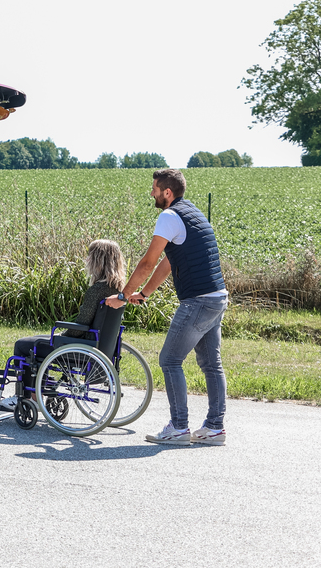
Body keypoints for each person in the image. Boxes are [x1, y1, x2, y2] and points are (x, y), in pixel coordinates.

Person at [106, 169, 228, 446]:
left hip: (198, 300)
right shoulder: (192, 214)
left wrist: (123, 296)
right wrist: (144, 293)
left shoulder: (169, 216)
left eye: (154, 189)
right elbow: (169, 262)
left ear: (167, 192)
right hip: (217, 297)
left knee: (170, 360)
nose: (151, 193)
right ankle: (215, 428)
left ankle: (179, 427)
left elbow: (147, 263)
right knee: (211, 364)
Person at [0, 239, 126, 410]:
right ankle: (39, 392)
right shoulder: (117, 291)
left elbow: (82, 323)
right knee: (36, 340)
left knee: (23, 346)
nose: (87, 260)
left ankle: (27, 398)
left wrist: (61, 337)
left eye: (89, 256)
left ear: (97, 260)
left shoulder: (96, 290)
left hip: (82, 347)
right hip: (100, 348)